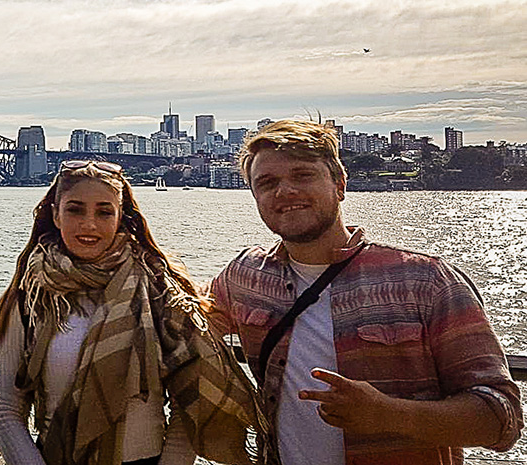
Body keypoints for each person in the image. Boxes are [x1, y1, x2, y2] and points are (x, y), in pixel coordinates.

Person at [209, 119, 523, 464]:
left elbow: (501, 418)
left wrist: (386, 414)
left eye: (302, 175)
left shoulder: (426, 281)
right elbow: (177, 318)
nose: (285, 192)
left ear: (340, 185)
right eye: (267, 183)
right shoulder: (244, 276)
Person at [0, 160, 260, 465]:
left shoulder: (159, 290)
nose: (89, 224)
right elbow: (6, 409)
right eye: (75, 209)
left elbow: (189, 404)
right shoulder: (32, 295)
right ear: (55, 214)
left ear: (122, 216)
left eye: (104, 212)